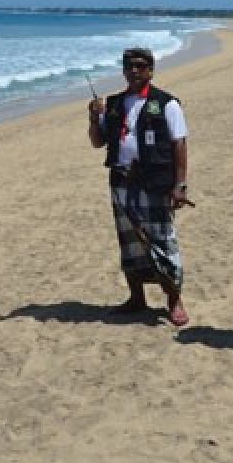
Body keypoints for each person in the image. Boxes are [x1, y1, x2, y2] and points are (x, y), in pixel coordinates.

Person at [88, 47, 192, 327]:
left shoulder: (167, 103)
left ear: (150, 70)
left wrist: (180, 185)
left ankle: (174, 300)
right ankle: (137, 298)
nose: (134, 70)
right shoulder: (113, 104)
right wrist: (93, 118)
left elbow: (179, 144)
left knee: (163, 242)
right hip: (122, 182)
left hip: (155, 183)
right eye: (129, 66)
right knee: (129, 243)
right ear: (123, 70)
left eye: (140, 65)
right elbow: (98, 142)